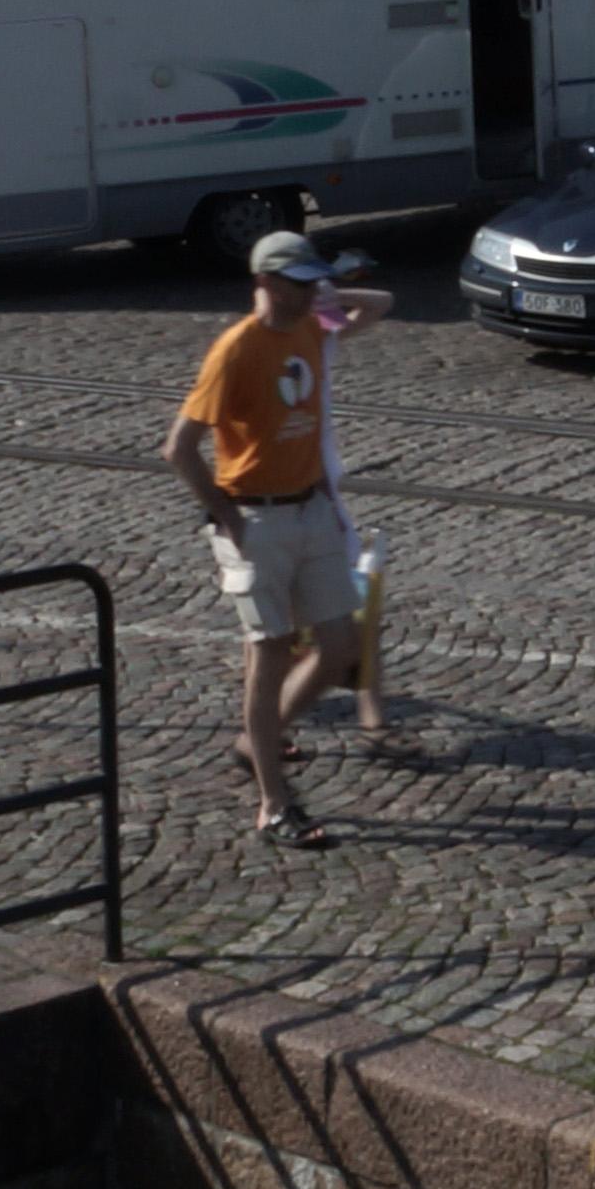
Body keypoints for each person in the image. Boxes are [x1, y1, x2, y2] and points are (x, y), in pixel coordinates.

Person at [168, 229, 395, 849]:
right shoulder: (235, 351)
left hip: (312, 512)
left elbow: (378, 305)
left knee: (340, 644)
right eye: (298, 284)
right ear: (265, 282)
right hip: (257, 521)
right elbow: (180, 448)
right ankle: (274, 804)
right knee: (266, 655)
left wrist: (327, 289)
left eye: (312, 284)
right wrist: (227, 516)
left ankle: (257, 741)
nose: (310, 294)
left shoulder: (310, 327)